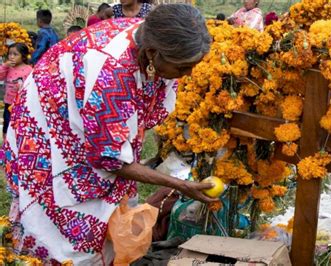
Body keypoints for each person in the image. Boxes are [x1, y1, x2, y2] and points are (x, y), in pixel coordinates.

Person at [1, 4, 213, 264]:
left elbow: (125, 127)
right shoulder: (111, 73)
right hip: (47, 129)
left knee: (109, 213)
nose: (188, 74)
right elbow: (111, 160)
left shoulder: (152, 39)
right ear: (152, 53)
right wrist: (180, 185)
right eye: (182, 68)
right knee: (63, 228)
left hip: (81, 115)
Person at [0, 43, 32, 139]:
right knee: (7, 124)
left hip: (21, 104)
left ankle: (17, 144)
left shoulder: (29, 70)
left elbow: (30, 86)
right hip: (8, 103)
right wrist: (5, 65)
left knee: (19, 125)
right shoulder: (8, 68)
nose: (12, 57)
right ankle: (6, 146)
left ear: (23, 57)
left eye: (15, 54)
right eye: (10, 54)